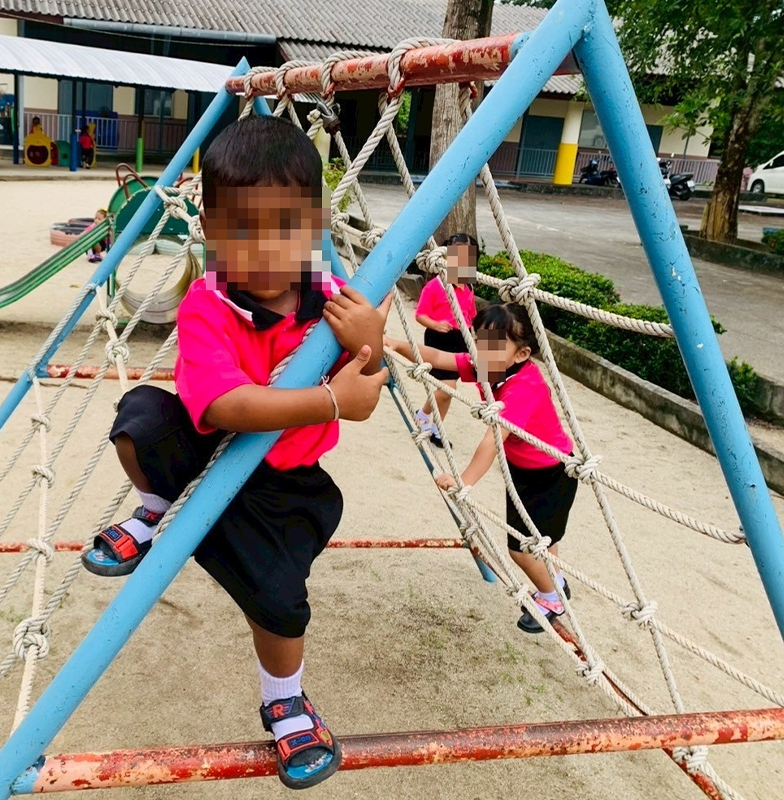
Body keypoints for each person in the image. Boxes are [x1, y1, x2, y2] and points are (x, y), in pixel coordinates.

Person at [79, 115, 391, 789]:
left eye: (286, 228)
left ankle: (284, 700)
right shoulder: (207, 303)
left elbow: (367, 386)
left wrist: (372, 337)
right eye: (242, 231)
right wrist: (329, 401)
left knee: (279, 603)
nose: (265, 250)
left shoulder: (330, 301)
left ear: (315, 227)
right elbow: (227, 407)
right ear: (210, 230)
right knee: (140, 418)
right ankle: (157, 511)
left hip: (285, 485)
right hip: (209, 452)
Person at [386, 302, 576, 634]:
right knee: (541, 540)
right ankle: (555, 581)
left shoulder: (524, 388)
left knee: (522, 550)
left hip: (550, 474)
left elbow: (492, 440)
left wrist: (464, 481)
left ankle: (552, 598)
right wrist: (397, 345)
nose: (479, 351)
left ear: (521, 354)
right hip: (525, 469)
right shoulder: (489, 365)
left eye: (492, 345)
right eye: (477, 340)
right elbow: (441, 358)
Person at [413, 233, 478, 446]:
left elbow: (471, 315)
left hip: (459, 340)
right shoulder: (435, 286)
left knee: (447, 390)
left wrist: (474, 336)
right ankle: (433, 425)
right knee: (447, 388)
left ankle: (427, 419)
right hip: (439, 339)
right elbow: (420, 315)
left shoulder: (468, 287)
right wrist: (436, 324)